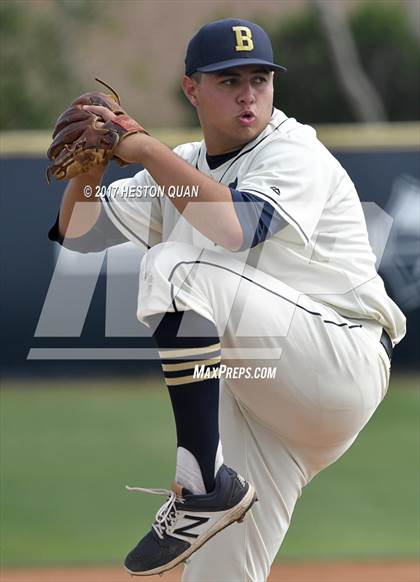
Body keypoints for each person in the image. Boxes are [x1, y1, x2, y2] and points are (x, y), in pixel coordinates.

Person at [49, 18, 405, 581]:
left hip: (340, 359)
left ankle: (200, 484)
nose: (248, 93)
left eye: (260, 78)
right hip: (263, 402)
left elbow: (236, 226)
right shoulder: (184, 161)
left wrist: (141, 147)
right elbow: (79, 233)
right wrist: (89, 172)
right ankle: (214, 488)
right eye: (229, 79)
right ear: (192, 88)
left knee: (174, 265)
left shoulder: (293, 151)